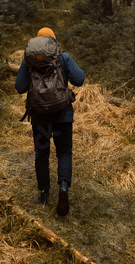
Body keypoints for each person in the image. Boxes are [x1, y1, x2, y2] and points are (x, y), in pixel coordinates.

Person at [15, 27, 85, 216]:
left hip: (39, 117)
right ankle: (63, 186)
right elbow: (80, 79)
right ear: (53, 41)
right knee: (63, 151)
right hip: (62, 115)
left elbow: (19, 87)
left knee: (42, 153)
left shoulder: (29, 60)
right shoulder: (63, 57)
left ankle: (44, 194)